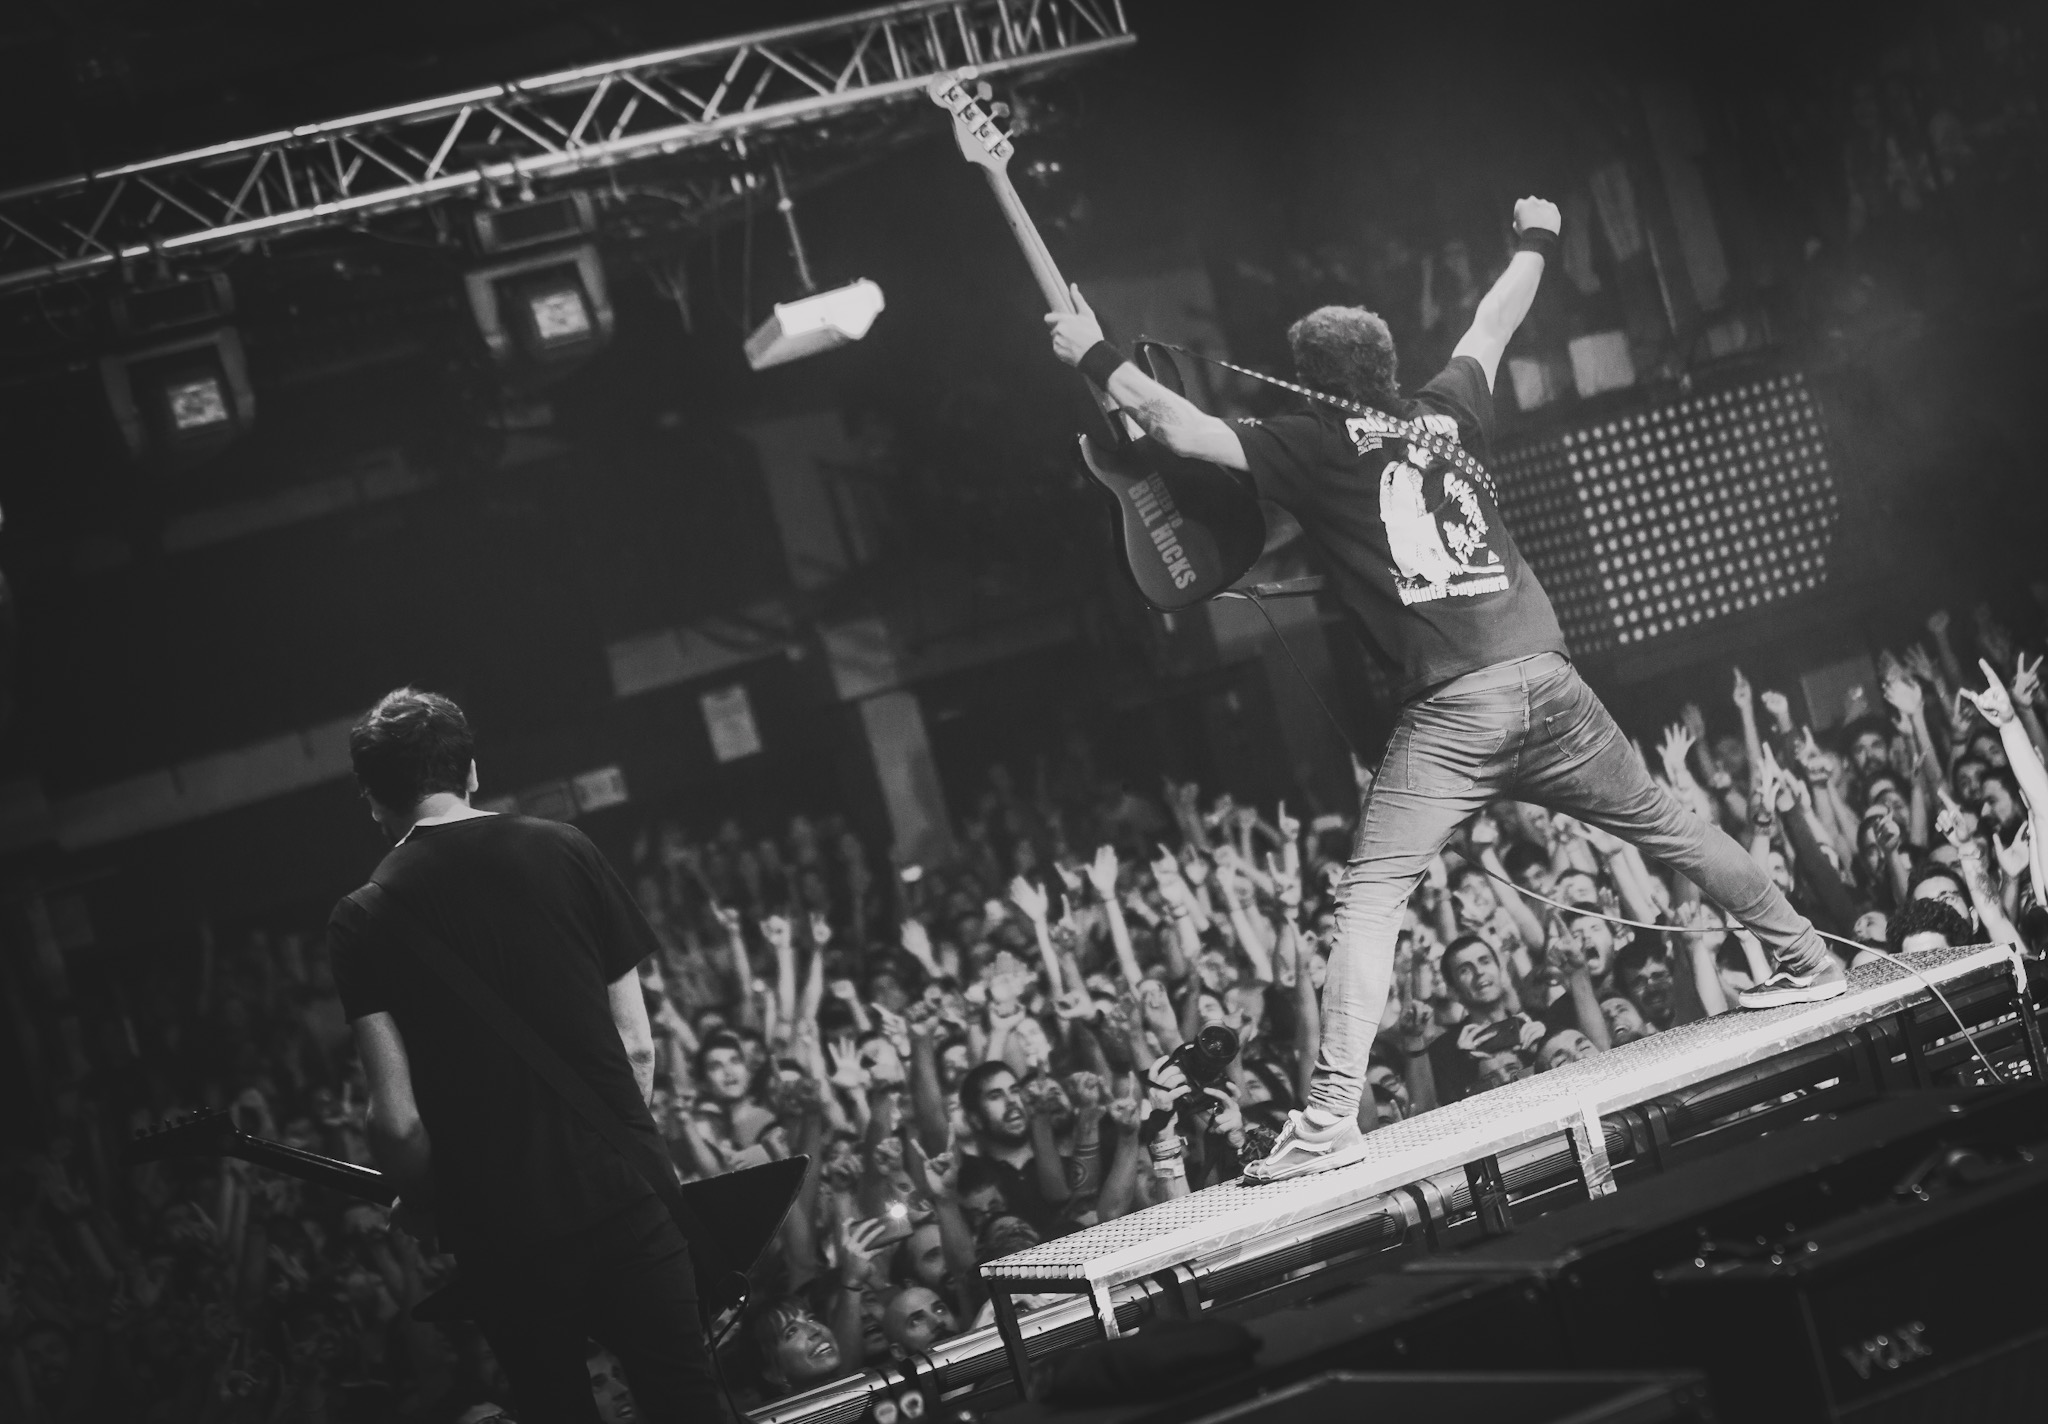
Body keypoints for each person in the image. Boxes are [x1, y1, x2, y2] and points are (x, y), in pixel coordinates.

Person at [1045, 195, 1843, 1183]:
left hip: (1457, 710)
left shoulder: (1311, 441)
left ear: (1309, 381)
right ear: (1385, 367)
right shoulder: (1443, 408)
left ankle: (1329, 1117)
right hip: (1548, 677)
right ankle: (1808, 962)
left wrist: (1091, 353)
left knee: (1371, 899)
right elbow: (1495, 318)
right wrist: (1537, 238)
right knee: (1668, 825)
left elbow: (1177, 426)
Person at [327, 687, 724, 1422]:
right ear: (472, 771)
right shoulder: (567, 847)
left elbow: (397, 1123)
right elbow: (637, 1046)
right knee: (688, 1402)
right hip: (625, 1195)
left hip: (503, 1233)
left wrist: (425, 1198)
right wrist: (612, 1149)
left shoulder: (361, 919)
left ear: (373, 800)